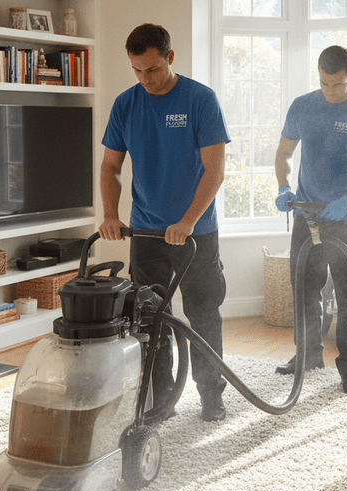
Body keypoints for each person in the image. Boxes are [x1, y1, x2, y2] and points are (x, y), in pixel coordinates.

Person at [99, 23, 231, 421]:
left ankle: (212, 396)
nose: (145, 79)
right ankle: (162, 400)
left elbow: (215, 170)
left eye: (152, 70)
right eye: (137, 71)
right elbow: (110, 166)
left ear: (170, 58)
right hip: (146, 232)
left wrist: (189, 220)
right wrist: (109, 214)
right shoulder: (126, 104)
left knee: (203, 313)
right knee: (151, 317)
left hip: (195, 235)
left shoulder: (200, 100)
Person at [274, 45, 347, 394]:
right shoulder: (302, 106)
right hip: (307, 214)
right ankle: (306, 355)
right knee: (304, 290)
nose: (329, 91)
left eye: (336, 85)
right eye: (324, 83)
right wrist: (283, 186)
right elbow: (283, 153)